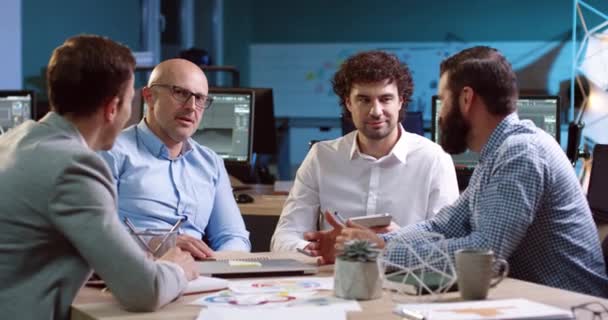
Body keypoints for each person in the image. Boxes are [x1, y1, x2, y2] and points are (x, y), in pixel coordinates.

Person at [335, 46, 608, 297]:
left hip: (573, 307)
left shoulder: (522, 152)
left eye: (444, 99)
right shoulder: (497, 153)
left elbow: (484, 252)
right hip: (533, 301)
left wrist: (384, 252)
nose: (440, 115)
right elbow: (442, 225)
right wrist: (378, 243)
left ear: (466, 98)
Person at [0, 35, 198, 319]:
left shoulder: (14, 141)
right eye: (130, 102)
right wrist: (178, 269)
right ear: (112, 108)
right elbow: (144, 291)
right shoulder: (74, 167)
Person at [271, 50, 459, 264]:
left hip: (404, 279)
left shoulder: (434, 159)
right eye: (364, 100)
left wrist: (397, 240)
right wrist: (314, 249)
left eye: (385, 99)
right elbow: (283, 238)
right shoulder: (321, 157)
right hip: (333, 280)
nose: (376, 111)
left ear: (401, 101)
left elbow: (447, 244)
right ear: (348, 103)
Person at [99, 58, 250, 259]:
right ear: (149, 96)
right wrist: (159, 244)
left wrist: (218, 264)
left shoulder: (210, 162)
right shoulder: (110, 151)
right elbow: (92, 235)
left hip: (201, 275)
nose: (191, 107)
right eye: (180, 93)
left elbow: (233, 236)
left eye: (200, 98)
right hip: (137, 274)